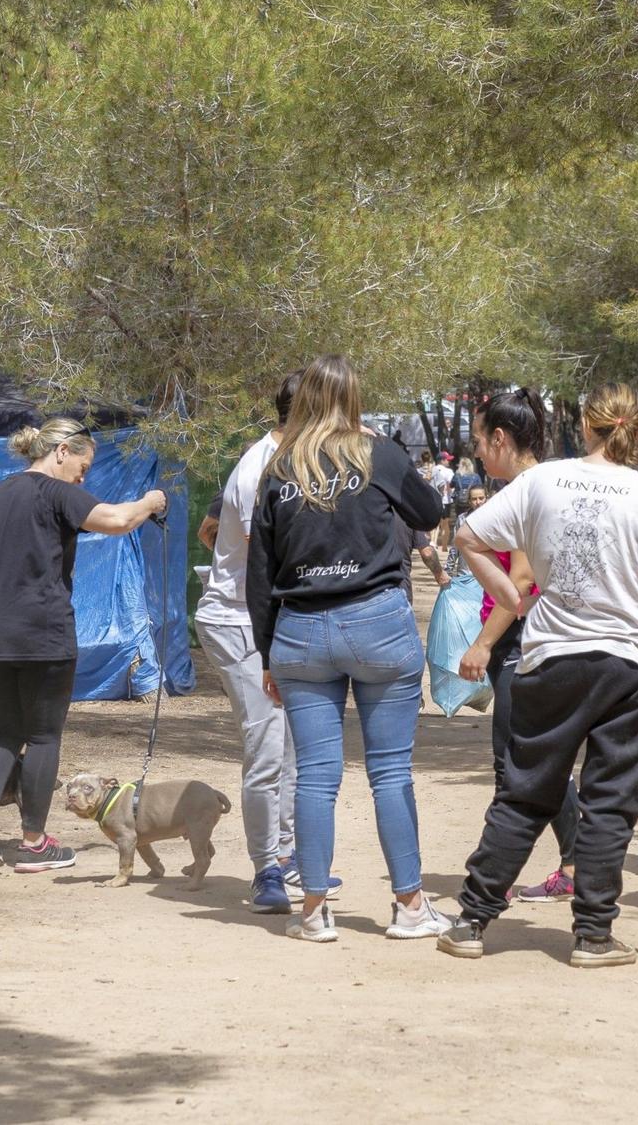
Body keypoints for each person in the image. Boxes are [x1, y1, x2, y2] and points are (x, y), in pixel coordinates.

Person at [438, 384, 638, 969]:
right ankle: (593, 936)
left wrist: (510, 596)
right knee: (611, 804)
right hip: (634, 669)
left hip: (552, 660)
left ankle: (472, 920)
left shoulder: (543, 481)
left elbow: (468, 537)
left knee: (525, 792)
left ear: (586, 426)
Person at [246, 355, 450, 944]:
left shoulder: (279, 468)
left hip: (300, 630)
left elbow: (260, 572)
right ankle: (409, 905)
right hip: (377, 623)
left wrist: (267, 654)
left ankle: (313, 912)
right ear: (353, 399)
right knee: (390, 772)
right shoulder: (379, 454)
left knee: (315, 776)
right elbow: (430, 512)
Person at [0, 418, 167, 873]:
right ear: (61, 452)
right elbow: (117, 520)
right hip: (42, 632)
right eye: (83, 465)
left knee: (3, 731)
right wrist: (151, 502)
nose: (83, 477)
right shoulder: (55, 492)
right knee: (42, 736)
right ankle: (34, 843)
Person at [455, 387, 577, 904]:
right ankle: (574, 864)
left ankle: (495, 875)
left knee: (514, 761)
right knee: (536, 758)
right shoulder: (536, 487)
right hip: (524, 638)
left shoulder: (528, 492)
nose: (477, 451)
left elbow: (523, 580)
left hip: (522, 641)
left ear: (501, 439)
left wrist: (484, 643)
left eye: (480, 441)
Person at [195, 373, 307, 915]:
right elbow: (267, 560)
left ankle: (285, 855)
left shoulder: (285, 459)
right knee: (267, 749)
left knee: (288, 747)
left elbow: (212, 530)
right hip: (239, 623)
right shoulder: (263, 468)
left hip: (264, 620)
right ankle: (267, 869)